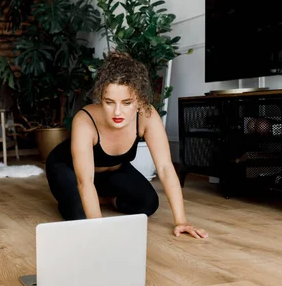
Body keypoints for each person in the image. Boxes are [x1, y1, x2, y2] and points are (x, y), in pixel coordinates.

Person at [45, 52, 208, 239]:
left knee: (148, 204)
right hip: (68, 168)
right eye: (109, 102)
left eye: (127, 103)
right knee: (79, 215)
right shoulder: (85, 120)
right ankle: (75, 199)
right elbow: (85, 181)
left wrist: (181, 221)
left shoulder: (146, 115)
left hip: (112, 171)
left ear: (139, 101)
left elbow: (164, 167)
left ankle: (103, 198)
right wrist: (99, 230)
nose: (117, 111)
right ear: (100, 98)